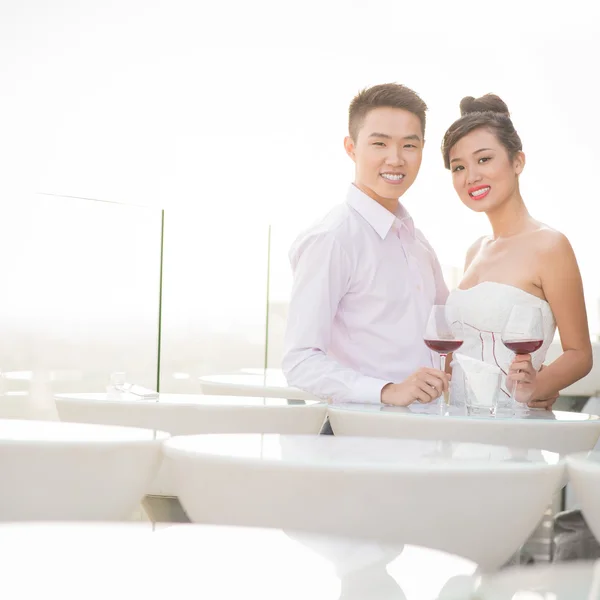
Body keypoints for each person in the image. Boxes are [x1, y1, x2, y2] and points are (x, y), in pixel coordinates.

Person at [282, 83, 450, 407]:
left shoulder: (419, 243)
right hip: (359, 440)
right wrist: (387, 391)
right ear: (351, 147)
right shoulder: (332, 239)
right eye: (379, 143)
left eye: (409, 145)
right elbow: (300, 361)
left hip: (425, 439)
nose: (395, 159)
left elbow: (447, 330)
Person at [442, 94, 593, 409]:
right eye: (458, 167)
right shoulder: (475, 251)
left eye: (484, 159)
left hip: (510, 433)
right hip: (454, 426)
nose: (471, 177)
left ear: (517, 161)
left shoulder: (550, 245)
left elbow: (579, 354)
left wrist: (536, 388)